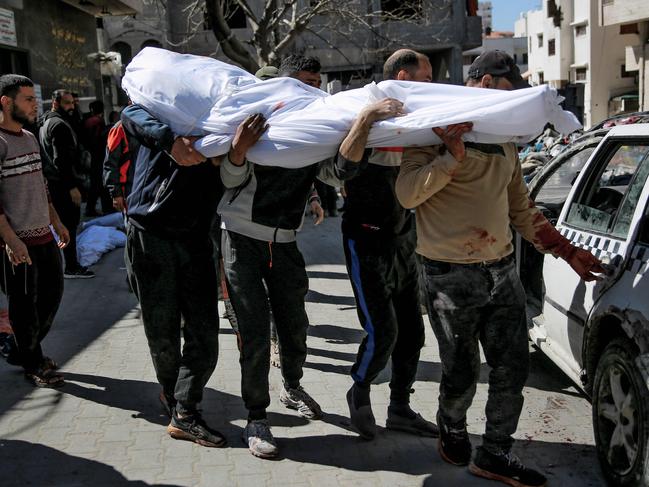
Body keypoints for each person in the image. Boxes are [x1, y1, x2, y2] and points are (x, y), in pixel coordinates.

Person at [395, 50, 605, 487]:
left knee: (512, 367)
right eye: (511, 91)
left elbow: (521, 210)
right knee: (461, 369)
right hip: (449, 276)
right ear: (486, 84)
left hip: (502, 272)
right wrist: (450, 156)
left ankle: (495, 453)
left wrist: (567, 251)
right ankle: (452, 425)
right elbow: (408, 194)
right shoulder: (430, 131)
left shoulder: (504, 141)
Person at [220, 54, 356, 459]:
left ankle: (292, 385)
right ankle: (256, 416)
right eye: (303, 82)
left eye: (316, 81)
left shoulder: (315, 129)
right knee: (256, 333)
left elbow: (334, 173)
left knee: (295, 324)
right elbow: (229, 178)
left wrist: (357, 132)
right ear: (282, 85)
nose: (311, 89)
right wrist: (239, 150)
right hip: (241, 239)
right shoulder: (258, 120)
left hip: (285, 243)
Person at [121, 102, 266, 448]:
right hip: (150, 233)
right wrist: (171, 141)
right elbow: (131, 114)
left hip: (198, 239)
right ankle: (179, 405)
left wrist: (235, 151)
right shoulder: (167, 110)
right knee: (162, 330)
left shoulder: (231, 118)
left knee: (204, 332)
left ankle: (182, 405)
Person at [337, 49, 438, 441]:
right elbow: (343, 168)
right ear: (402, 75)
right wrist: (365, 120)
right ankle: (359, 392)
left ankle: (400, 410)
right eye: (425, 78)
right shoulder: (367, 114)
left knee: (413, 333)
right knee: (383, 331)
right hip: (365, 240)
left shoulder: (419, 122)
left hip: (402, 240)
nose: (430, 86)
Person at [0, 74, 70, 387]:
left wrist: (56, 221)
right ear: (6, 102)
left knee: (52, 294)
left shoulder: (29, 138)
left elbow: (41, 186)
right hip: (16, 243)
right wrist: (12, 241)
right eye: (27, 99)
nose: (34, 105)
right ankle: (32, 361)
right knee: (24, 306)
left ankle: (20, 348)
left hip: (43, 235)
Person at [39, 89, 94, 279]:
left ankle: (67, 264)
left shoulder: (47, 121)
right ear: (56, 103)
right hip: (62, 185)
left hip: (55, 184)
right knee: (68, 225)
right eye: (67, 103)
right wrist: (72, 188)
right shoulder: (59, 125)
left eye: (73, 103)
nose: (72, 107)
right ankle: (71, 266)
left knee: (63, 225)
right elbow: (60, 160)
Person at [103, 114, 140, 213]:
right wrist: (116, 194)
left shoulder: (154, 124)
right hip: (128, 191)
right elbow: (110, 163)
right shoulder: (120, 128)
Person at [83, 100, 110, 216]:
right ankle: (105, 208)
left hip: (93, 157)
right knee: (101, 183)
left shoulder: (87, 121)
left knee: (95, 184)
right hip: (99, 157)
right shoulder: (98, 122)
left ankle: (91, 208)